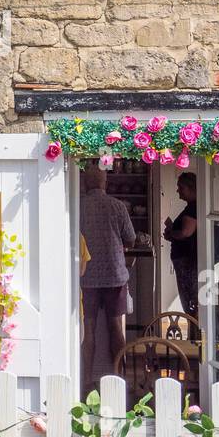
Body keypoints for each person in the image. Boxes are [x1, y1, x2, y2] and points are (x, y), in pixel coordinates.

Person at [79, 166, 136, 387]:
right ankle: (118, 376)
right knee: (116, 329)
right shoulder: (117, 206)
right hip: (114, 275)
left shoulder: (79, 205)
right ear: (105, 183)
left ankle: (85, 379)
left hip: (87, 275)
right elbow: (130, 238)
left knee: (88, 329)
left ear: (85, 183)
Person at [164, 171, 198, 317]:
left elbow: (186, 232)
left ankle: (195, 333)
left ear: (191, 188)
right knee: (190, 298)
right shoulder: (193, 207)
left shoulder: (193, 208)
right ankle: (194, 331)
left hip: (187, 261)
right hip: (187, 260)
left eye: (181, 187)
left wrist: (172, 232)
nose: (178, 190)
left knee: (190, 298)